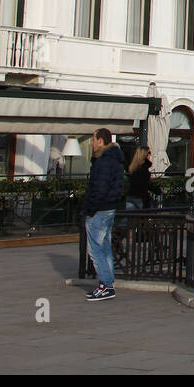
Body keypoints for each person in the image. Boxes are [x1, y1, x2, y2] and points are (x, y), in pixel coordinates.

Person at [83, 129, 123, 301]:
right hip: (109, 208)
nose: (91, 144)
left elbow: (99, 188)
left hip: (99, 210)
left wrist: (90, 209)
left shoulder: (103, 161)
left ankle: (105, 285)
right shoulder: (115, 159)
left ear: (100, 141)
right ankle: (108, 283)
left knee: (95, 249)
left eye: (93, 140)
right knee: (105, 247)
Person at [126, 145, 152, 210]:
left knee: (129, 217)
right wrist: (157, 189)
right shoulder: (143, 169)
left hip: (130, 196)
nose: (150, 155)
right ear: (145, 155)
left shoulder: (133, 168)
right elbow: (145, 184)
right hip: (140, 198)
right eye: (149, 153)